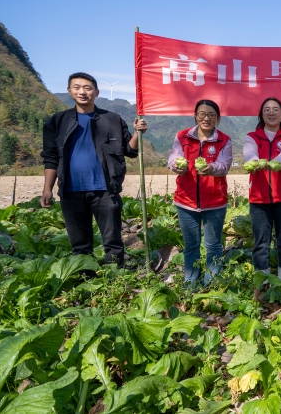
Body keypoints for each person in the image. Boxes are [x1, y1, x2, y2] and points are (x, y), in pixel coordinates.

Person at [41, 72, 147, 269]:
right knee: (80, 246)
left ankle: (114, 281)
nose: (82, 92)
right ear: (69, 91)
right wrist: (47, 188)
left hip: (106, 190)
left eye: (87, 88)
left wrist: (137, 133)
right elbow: (51, 158)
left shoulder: (112, 119)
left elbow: (129, 150)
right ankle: (85, 283)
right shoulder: (56, 122)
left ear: (96, 92)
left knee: (113, 243)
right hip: (71, 191)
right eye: (77, 87)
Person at [167, 100, 232, 286]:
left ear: (218, 118)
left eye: (211, 115)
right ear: (195, 116)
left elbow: (225, 165)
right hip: (185, 200)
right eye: (202, 114)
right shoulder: (182, 136)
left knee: (213, 245)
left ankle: (212, 283)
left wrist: (211, 168)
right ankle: (190, 282)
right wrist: (176, 166)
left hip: (215, 202)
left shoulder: (224, 140)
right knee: (191, 246)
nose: (206, 118)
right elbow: (174, 157)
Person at [243, 97, 281, 281]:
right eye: (267, 109)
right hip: (259, 198)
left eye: (276, 109)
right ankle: (263, 282)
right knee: (260, 243)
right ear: (261, 114)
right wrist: (254, 162)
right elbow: (249, 154)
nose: (271, 112)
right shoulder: (251, 137)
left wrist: (273, 163)